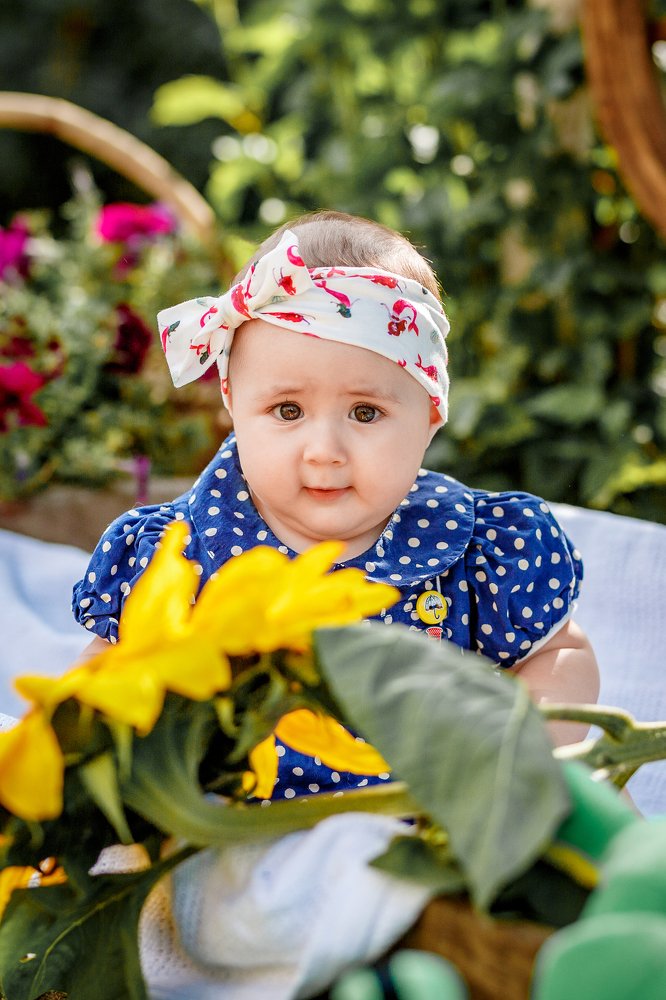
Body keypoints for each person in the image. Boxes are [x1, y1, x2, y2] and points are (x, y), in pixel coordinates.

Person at [73, 211, 599, 797]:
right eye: (288, 411)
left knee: (591, 810)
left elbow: (560, 652)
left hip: (435, 816)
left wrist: (536, 746)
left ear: (430, 416)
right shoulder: (178, 554)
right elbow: (105, 674)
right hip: (230, 821)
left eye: (365, 413)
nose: (324, 451)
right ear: (233, 404)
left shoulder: (476, 551)